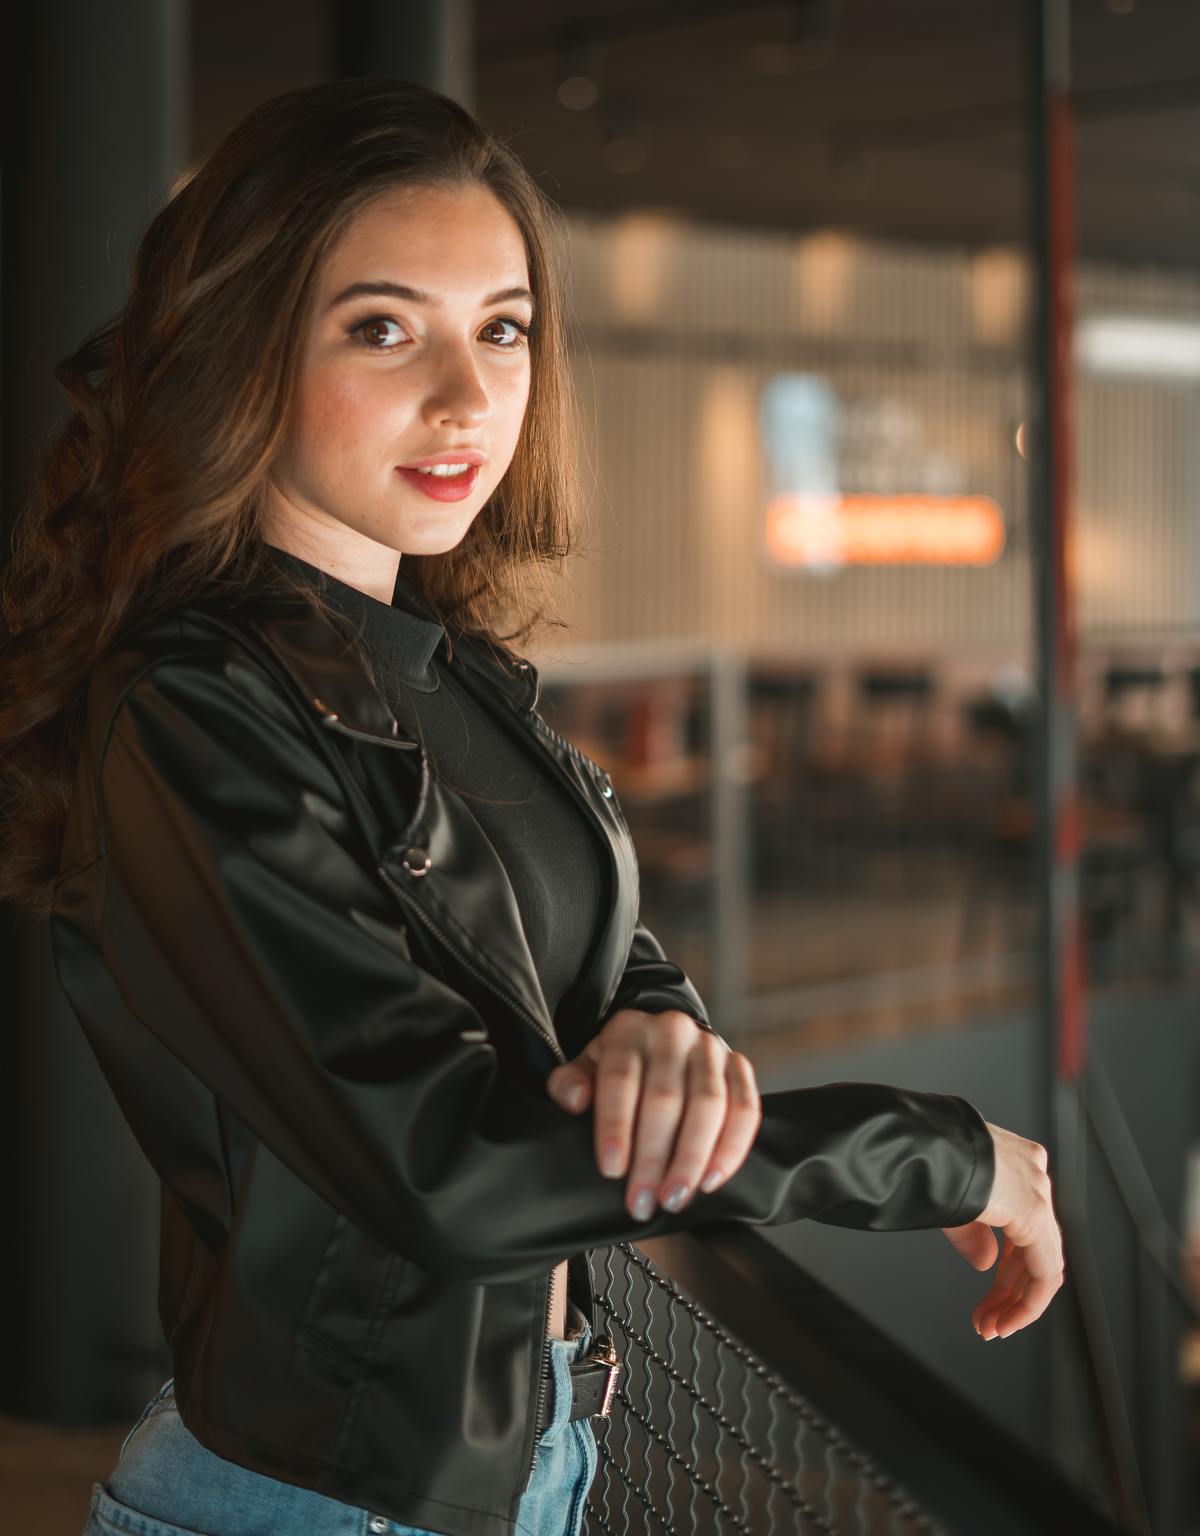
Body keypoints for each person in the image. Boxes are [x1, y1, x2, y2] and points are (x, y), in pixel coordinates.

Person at [0, 81, 1062, 1536]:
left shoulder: (456, 673)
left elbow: (600, 955)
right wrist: (923, 1154)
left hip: (532, 1460)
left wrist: (659, 1031)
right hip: (324, 1500)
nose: (467, 396)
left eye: (501, 328)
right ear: (245, 349)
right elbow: (443, 1162)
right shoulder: (189, 711)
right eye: (384, 327)